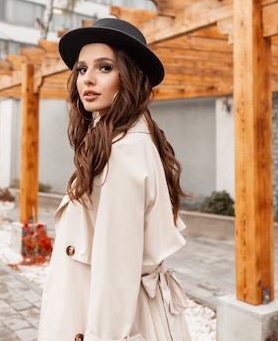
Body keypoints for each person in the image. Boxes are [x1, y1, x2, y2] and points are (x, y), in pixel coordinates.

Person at [38, 18, 192, 341]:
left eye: (104, 68)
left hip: (111, 324)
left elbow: (115, 275)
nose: (88, 79)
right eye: (81, 69)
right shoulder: (120, 138)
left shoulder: (123, 154)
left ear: (130, 76)